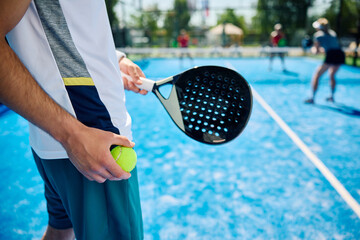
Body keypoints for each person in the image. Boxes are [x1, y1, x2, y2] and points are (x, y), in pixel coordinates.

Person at [0, 1, 148, 239]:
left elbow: (64, 20)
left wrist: (114, 60)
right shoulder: (81, 135)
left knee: (60, 234)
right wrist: (72, 135)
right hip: (91, 136)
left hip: (63, 136)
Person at [305, 18, 345, 104]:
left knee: (317, 75)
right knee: (332, 75)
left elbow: (316, 52)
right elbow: (331, 47)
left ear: (319, 27)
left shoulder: (318, 35)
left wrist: (310, 48)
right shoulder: (333, 33)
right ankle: (332, 96)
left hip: (331, 55)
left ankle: (312, 98)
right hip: (340, 55)